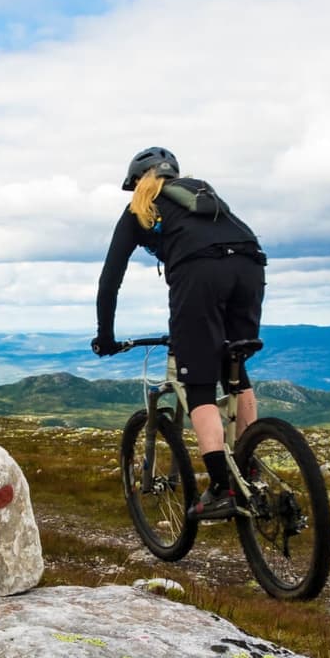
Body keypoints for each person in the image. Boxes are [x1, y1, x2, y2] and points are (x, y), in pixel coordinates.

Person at [92, 146, 267, 521]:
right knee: (233, 363)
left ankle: (222, 488)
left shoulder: (140, 206)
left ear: (137, 181)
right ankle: (249, 466)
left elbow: (110, 281)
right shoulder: (202, 194)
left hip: (200, 274)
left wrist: (105, 336)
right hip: (251, 264)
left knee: (198, 382)